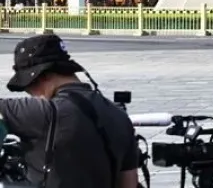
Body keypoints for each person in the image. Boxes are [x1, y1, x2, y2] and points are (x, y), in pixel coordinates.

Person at [0, 34, 139, 188]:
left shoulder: (45, 112)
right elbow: (128, 183)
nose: (29, 93)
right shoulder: (118, 116)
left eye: (28, 86)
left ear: (43, 76)